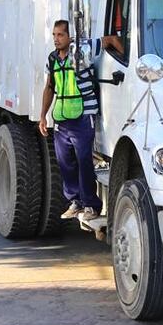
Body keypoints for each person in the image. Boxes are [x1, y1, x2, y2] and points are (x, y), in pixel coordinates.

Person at [39, 20, 101, 221]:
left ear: (70, 36)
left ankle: (91, 204)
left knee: (84, 161)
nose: (56, 39)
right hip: (62, 117)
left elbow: (110, 41)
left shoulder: (82, 51)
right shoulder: (52, 58)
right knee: (65, 162)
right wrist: (43, 116)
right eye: (54, 35)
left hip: (83, 116)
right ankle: (75, 202)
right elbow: (50, 87)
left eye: (60, 35)